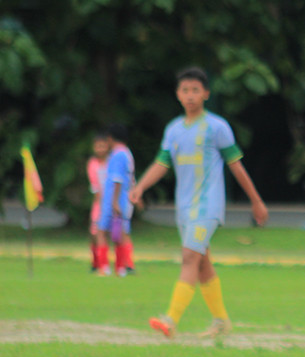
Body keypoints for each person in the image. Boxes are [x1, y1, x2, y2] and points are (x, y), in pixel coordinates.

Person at [130, 66, 268, 338]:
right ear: (178, 94)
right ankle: (221, 321)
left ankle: (171, 320)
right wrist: (140, 187)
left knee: (189, 257)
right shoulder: (173, 130)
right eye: (185, 90)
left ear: (206, 93)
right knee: (202, 263)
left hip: (208, 206)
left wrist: (256, 201)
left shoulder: (217, 127)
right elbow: (161, 163)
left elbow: (236, 166)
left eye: (195, 90)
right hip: (185, 208)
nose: (190, 95)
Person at [95, 123, 135, 277]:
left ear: (111, 138)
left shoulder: (117, 155)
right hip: (122, 198)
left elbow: (117, 179)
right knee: (120, 233)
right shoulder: (127, 153)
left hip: (114, 198)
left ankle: (104, 267)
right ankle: (121, 268)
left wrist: (114, 202)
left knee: (102, 232)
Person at [87, 130, 111, 273]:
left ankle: (105, 263)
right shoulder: (92, 164)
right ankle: (96, 261)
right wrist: (101, 203)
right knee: (94, 234)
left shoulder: (111, 163)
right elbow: (94, 185)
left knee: (106, 234)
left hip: (111, 203)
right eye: (98, 146)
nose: (100, 149)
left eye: (103, 146)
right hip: (99, 203)